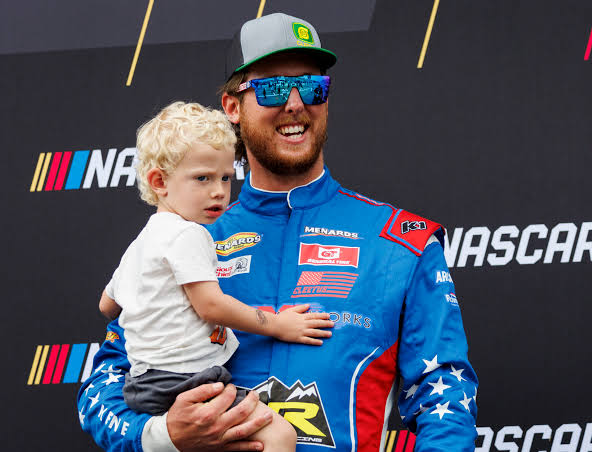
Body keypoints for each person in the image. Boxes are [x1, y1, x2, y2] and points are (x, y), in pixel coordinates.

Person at [78, 13, 478, 452]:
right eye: (272, 87)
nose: (295, 103)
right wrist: (165, 436)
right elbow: (103, 390)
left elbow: (445, 398)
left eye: (311, 86)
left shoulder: (401, 242)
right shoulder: (182, 239)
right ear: (232, 107)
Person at [93, 100, 334, 451]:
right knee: (280, 436)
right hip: (186, 380)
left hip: (143, 384)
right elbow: (210, 306)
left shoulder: (141, 243)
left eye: (225, 177)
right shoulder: (188, 234)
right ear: (159, 181)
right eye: (202, 178)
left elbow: (107, 305)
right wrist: (279, 325)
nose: (219, 191)